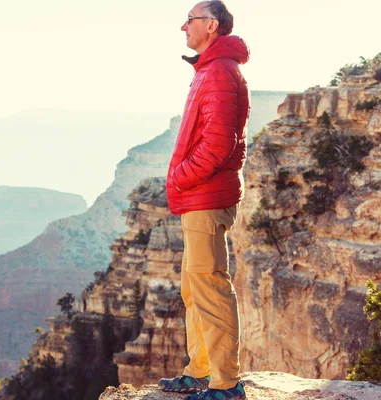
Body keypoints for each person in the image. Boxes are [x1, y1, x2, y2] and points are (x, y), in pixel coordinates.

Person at [158, 1, 250, 399]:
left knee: (210, 289)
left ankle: (226, 384)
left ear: (211, 25)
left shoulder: (220, 73)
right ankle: (200, 371)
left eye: (190, 20)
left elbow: (216, 146)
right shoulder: (211, 69)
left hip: (205, 199)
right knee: (194, 290)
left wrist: (179, 178)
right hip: (199, 198)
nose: (183, 26)